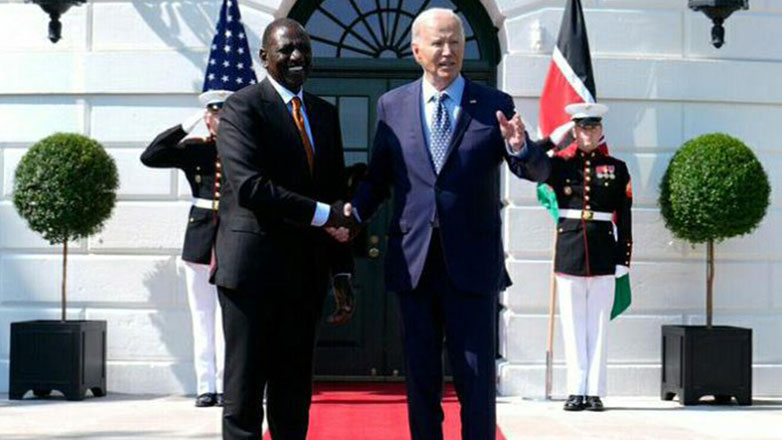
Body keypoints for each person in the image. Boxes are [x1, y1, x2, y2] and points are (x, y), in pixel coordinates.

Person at [344, 8, 550, 440]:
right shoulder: (392, 105)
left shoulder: (494, 104)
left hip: (472, 264)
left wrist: (521, 147)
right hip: (415, 263)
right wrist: (352, 215)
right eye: (438, 42)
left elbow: (533, 170)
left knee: (475, 378)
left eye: (456, 42)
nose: (448, 51)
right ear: (417, 50)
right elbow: (379, 178)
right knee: (420, 376)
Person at [211, 18, 355, 440]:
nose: (297, 56)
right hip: (251, 275)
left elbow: (335, 194)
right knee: (244, 393)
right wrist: (323, 215)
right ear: (264, 57)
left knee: (293, 395)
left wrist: (341, 271)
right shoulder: (242, 107)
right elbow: (250, 187)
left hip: (305, 276)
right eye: (286, 49)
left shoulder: (324, 114)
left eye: (304, 49)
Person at [140, 89, 232, 408]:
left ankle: (226, 385)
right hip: (200, 237)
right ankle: (206, 386)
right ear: (207, 118)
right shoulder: (195, 149)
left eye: (224, 114)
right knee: (202, 316)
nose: (219, 119)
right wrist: (184, 126)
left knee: (227, 318)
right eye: (214, 114)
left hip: (231, 237)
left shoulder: (243, 148)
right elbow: (151, 156)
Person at [543, 102, 633, 411]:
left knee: (598, 326)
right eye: (582, 128)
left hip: (604, 252)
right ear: (574, 131)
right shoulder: (560, 165)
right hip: (570, 251)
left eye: (593, 127)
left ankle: (594, 391)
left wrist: (623, 258)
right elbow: (530, 165)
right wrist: (552, 141)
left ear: (601, 131)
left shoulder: (617, 168)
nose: (588, 133)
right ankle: (575, 390)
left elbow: (625, 215)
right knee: (572, 325)